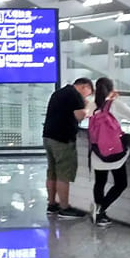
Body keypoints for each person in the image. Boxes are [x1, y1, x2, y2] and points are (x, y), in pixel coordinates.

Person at [87, 77, 130, 226]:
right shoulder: (115, 104)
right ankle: (101, 210)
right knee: (121, 183)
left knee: (99, 182)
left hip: (97, 150)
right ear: (111, 88)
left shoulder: (92, 104)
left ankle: (99, 213)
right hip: (114, 151)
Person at [43, 77, 93, 219]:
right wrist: (87, 106)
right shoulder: (74, 95)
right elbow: (79, 116)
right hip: (62, 139)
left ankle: (52, 205)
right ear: (84, 86)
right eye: (88, 92)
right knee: (63, 174)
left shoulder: (59, 92)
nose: (87, 95)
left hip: (48, 136)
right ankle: (64, 208)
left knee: (52, 172)